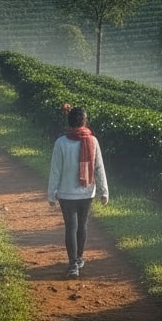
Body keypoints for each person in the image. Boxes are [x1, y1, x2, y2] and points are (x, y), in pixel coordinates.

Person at [47, 105, 108, 278]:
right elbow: (99, 168)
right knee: (82, 226)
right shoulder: (92, 141)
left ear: (69, 122)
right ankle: (78, 258)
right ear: (85, 122)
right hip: (87, 191)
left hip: (66, 193)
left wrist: (52, 193)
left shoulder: (61, 142)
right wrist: (104, 191)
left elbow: (55, 170)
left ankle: (74, 263)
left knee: (71, 227)